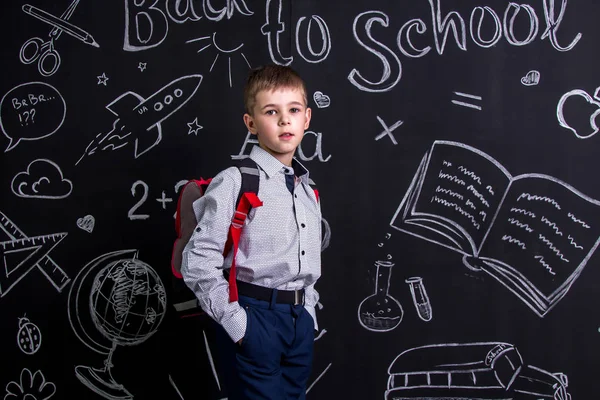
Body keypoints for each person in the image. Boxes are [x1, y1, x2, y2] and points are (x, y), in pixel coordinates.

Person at [181, 64, 322, 400]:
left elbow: (307, 261)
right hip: (254, 317)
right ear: (251, 122)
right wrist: (237, 324)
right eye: (271, 112)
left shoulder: (308, 189)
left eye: (293, 110)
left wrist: (309, 315)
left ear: (307, 119)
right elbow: (198, 259)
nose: (284, 120)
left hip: (298, 322)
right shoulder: (235, 180)